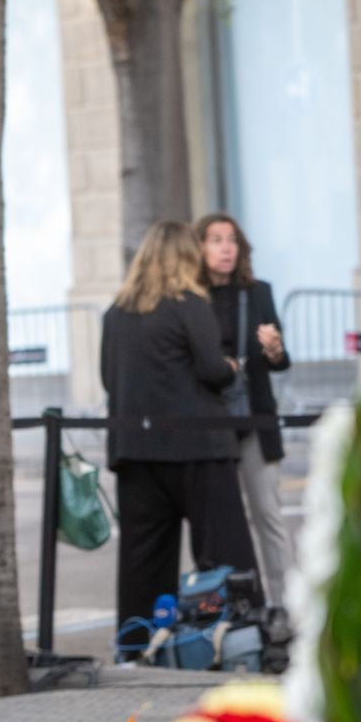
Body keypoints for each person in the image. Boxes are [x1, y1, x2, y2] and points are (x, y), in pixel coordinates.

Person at [101, 221, 261, 633]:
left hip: (136, 448)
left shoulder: (116, 313)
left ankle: (138, 639)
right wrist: (231, 367)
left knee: (143, 559)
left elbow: (108, 378)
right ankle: (237, 634)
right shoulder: (190, 305)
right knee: (223, 551)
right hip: (199, 445)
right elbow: (212, 369)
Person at [196, 214, 293, 635]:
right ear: (199, 247)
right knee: (219, 521)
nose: (226, 248)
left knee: (268, 513)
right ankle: (227, 608)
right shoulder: (191, 298)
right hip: (209, 426)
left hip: (254, 418)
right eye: (216, 239)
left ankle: (284, 607)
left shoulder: (258, 293)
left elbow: (281, 362)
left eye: (232, 240)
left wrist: (274, 349)